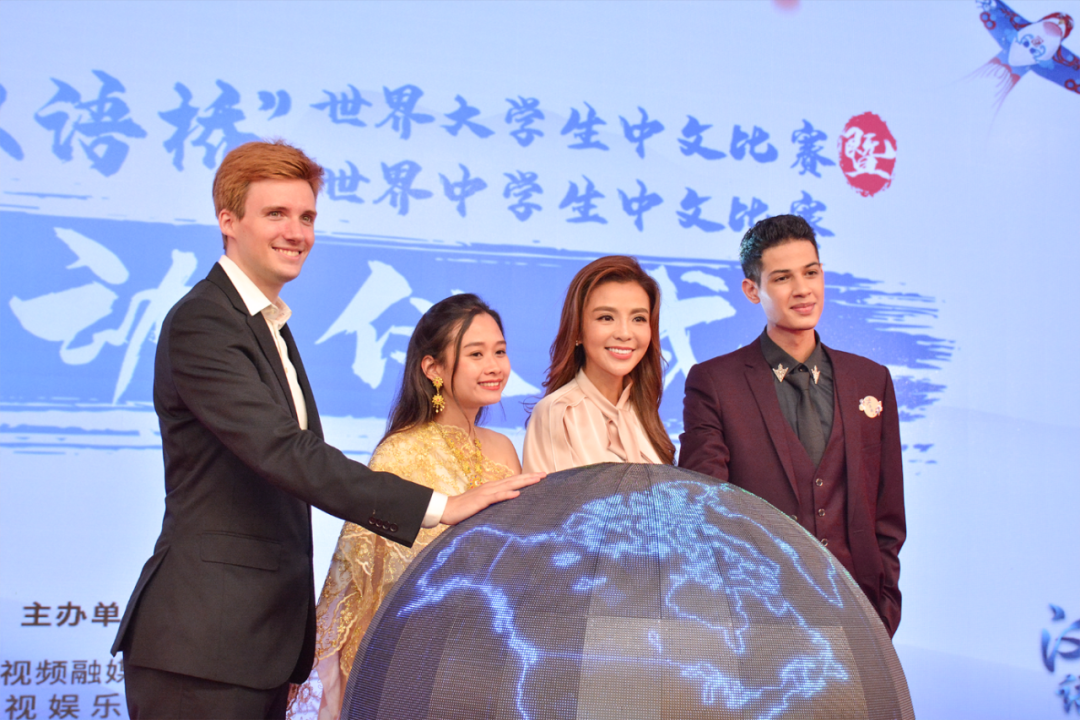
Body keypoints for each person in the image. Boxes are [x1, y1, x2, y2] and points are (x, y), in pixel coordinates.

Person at [109, 140, 541, 720]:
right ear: (228, 221)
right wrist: (441, 506)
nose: (297, 232)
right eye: (276, 214)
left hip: (255, 644)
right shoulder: (204, 321)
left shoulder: (269, 326)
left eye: (307, 216)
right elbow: (286, 452)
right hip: (203, 646)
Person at [288, 293, 522, 720]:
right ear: (433, 368)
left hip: (493, 662)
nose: (494, 366)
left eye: (500, 352)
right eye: (476, 354)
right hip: (419, 666)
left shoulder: (504, 449)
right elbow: (364, 581)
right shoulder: (400, 453)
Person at [678, 214, 905, 636]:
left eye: (811, 273)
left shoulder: (870, 379)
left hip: (858, 618)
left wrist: (884, 606)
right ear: (752, 290)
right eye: (782, 278)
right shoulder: (715, 382)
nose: (803, 290)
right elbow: (705, 510)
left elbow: (888, 512)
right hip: (759, 623)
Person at [523, 255, 675, 472]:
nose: (625, 333)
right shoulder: (558, 413)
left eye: (638, 319)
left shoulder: (643, 410)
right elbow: (554, 495)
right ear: (578, 330)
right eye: (606, 317)